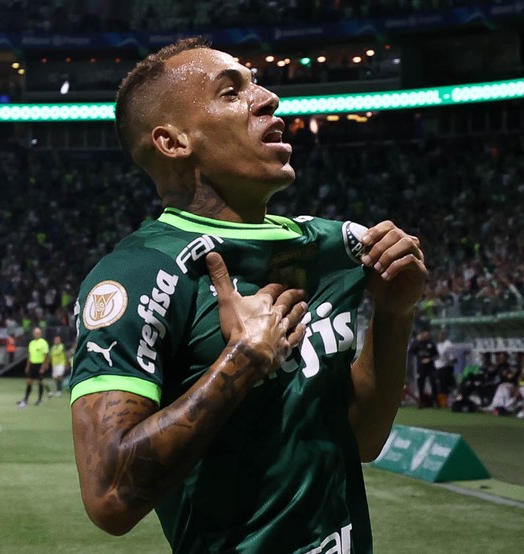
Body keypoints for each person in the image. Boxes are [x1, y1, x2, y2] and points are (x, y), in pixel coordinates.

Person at [68, 37, 426, 553]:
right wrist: (241, 362)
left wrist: (395, 313)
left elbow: (362, 438)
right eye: (231, 92)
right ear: (173, 143)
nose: (267, 98)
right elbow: (109, 497)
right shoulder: (137, 275)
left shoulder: (331, 248)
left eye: (254, 82)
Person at [19, 327, 49, 408]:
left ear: (40, 334)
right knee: (29, 382)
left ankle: (39, 399)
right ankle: (26, 398)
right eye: (35, 333)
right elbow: (29, 355)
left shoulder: (43, 343)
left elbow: (46, 355)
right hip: (32, 364)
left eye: (38, 333)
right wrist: (27, 366)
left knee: (40, 382)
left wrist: (44, 366)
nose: (36, 334)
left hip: (40, 364)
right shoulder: (31, 343)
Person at [410, 329, 439, 408]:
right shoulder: (418, 343)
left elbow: (436, 355)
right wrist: (416, 340)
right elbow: (411, 351)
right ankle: (421, 402)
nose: (426, 336)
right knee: (420, 385)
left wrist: (429, 359)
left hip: (430, 368)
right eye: (424, 334)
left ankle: (435, 401)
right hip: (421, 368)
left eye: (427, 334)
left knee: (433, 383)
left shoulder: (431, 344)